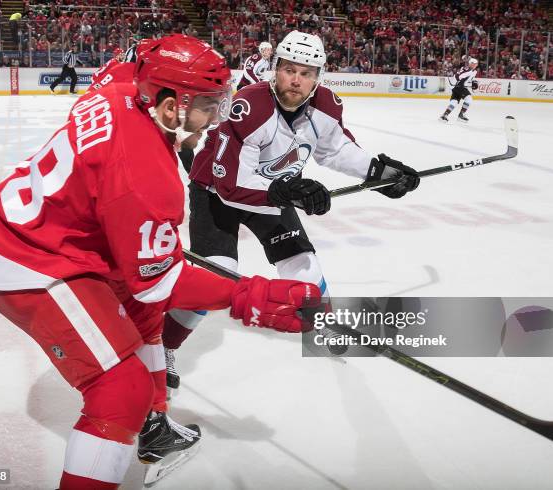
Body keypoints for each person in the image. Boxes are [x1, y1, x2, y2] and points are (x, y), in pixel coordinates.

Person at [0, 34, 319, 489]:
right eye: (209, 105)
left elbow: (124, 69)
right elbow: (161, 282)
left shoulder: (118, 91)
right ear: (173, 105)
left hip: (63, 235)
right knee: (121, 390)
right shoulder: (145, 177)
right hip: (33, 260)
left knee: (144, 315)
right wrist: (248, 294)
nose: (216, 120)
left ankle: (155, 427)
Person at [162, 30, 420, 393]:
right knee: (219, 275)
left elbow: (336, 150)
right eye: (289, 69)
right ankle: (163, 346)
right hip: (215, 194)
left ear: (318, 77)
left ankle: (321, 323)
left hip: (274, 192)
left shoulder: (325, 106)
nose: (296, 80)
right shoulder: (248, 106)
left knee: (302, 262)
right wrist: (288, 191)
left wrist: (379, 173)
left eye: (306, 72)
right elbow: (230, 186)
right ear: (275, 69)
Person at [440, 57, 479, 122]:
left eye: (476, 64)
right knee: (469, 99)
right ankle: (461, 115)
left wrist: (473, 82)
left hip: (456, 87)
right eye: (474, 64)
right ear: (470, 64)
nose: (475, 65)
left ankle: (444, 115)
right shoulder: (468, 70)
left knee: (454, 102)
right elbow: (458, 76)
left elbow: (468, 79)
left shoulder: (473, 71)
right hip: (459, 87)